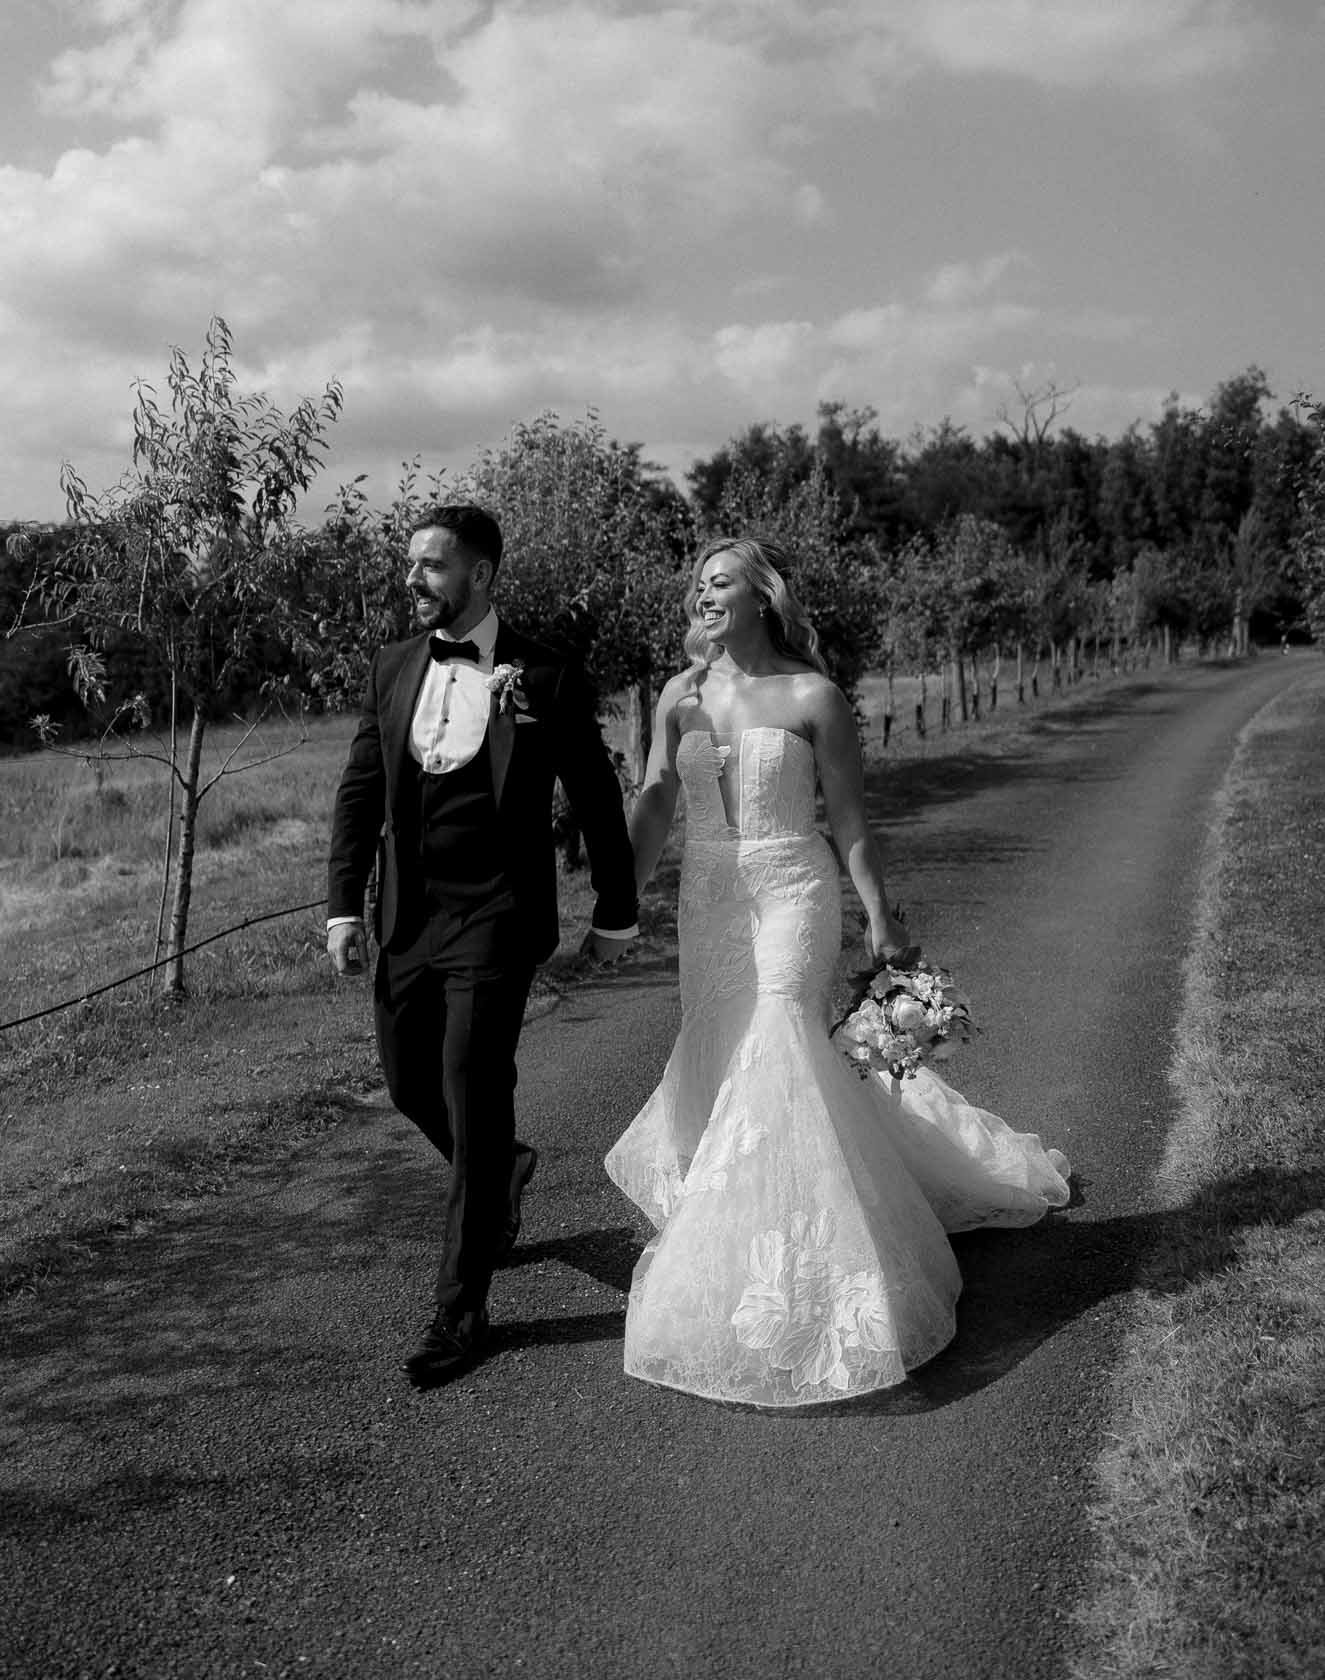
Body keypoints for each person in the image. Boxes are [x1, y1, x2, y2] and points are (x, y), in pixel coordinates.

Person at [605, 537, 1069, 1408]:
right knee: (724, 1044)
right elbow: (657, 798)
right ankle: (743, 1219)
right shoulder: (679, 695)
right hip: (710, 899)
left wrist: (881, 918)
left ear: (762, 596)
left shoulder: (813, 696)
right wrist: (616, 908)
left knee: (779, 1033)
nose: (703, 594)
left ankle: (817, 1258)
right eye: (697, 583)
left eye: (720, 581)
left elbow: (849, 820)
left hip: (793, 888)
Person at [327, 504, 638, 1387]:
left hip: (498, 912)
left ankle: (459, 1312)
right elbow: (359, 791)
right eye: (411, 564)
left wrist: (615, 909)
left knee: (472, 1086)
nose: (413, 579)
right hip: (407, 913)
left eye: (431, 565)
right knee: (407, 1083)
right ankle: (502, 1166)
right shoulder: (392, 665)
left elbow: (595, 794)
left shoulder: (546, 672)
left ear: (481, 574)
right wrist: (342, 907)